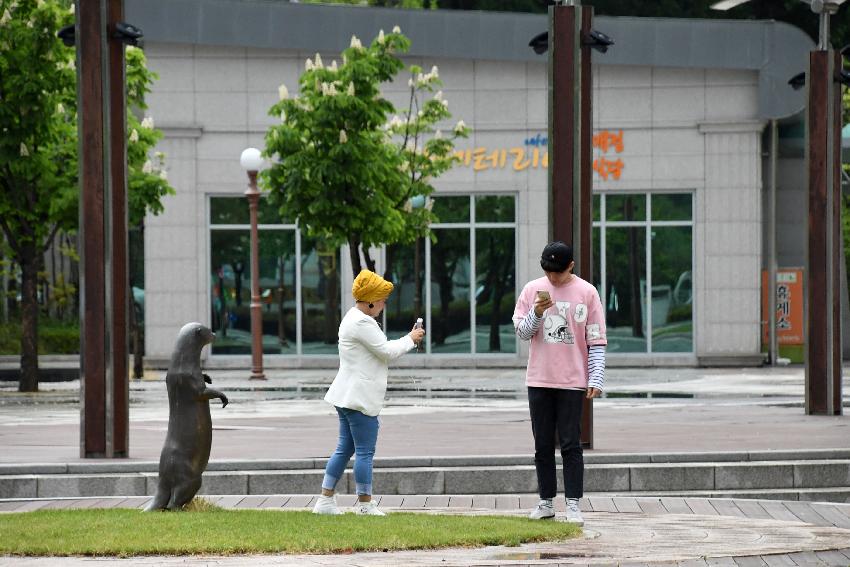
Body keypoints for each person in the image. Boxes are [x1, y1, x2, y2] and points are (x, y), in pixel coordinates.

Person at [312, 269, 426, 516]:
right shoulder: (363, 322)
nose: (384, 305)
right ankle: (365, 504)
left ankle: (325, 500)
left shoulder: (352, 317)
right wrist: (411, 338)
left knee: (345, 448)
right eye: (383, 300)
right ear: (372, 300)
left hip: (346, 394)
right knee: (364, 451)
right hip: (359, 398)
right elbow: (386, 351)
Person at [512, 241, 607, 525]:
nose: (553, 278)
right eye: (548, 271)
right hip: (539, 379)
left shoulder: (587, 292)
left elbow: (596, 340)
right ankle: (546, 502)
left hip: (572, 381)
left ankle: (574, 504)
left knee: (570, 445)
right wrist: (538, 312)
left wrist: (596, 377)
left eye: (558, 272)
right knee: (542, 444)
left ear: (571, 267)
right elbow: (523, 332)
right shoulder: (532, 290)